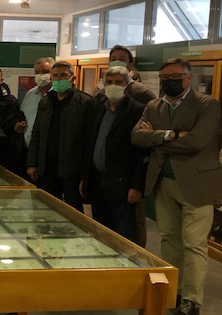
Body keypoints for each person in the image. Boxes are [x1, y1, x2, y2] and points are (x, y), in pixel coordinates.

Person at [132, 58, 222, 315]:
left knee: (194, 244)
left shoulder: (208, 105)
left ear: (189, 78)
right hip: (164, 183)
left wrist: (156, 140)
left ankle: (191, 302)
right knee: (170, 239)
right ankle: (175, 292)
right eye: (165, 78)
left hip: (197, 185)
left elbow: (197, 142)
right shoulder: (154, 106)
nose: (170, 82)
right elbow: (136, 137)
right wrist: (172, 135)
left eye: (176, 77)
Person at [81, 66, 146, 242]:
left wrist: (136, 186)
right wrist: (85, 179)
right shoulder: (98, 108)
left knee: (124, 234)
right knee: (101, 232)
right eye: (109, 82)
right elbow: (90, 144)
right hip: (98, 181)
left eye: (118, 82)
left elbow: (141, 153)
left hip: (122, 184)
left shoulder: (137, 110)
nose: (113, 86)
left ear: (127, 85)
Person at [27, 61, 93, 212]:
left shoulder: (85, 102)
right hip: (48, 167)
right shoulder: (46, 102)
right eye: (55, 76)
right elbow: (37, 133)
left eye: (63, 75)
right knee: (48, 208)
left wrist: (86, 175)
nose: (59, 79)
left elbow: (89, 141)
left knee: (73, 210)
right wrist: (32, 163)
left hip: (72, 169)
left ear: (73, 78)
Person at [21, 57, 54, 148]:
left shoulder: (58, 95)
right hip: (28, 148)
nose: (40, 75)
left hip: (49, 149)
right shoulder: (30, 94)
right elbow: (23, 115)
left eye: (45, 72)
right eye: (37, 73)